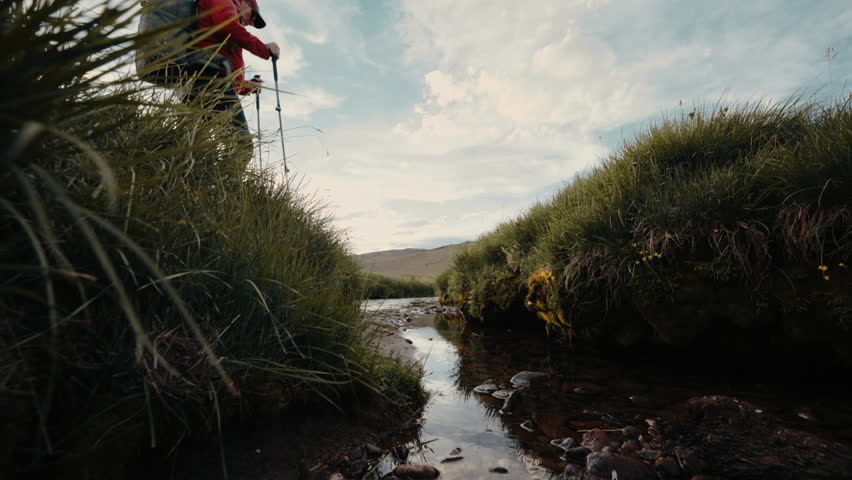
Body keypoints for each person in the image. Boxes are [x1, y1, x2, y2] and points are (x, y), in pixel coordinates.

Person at [188, 0, 280, 159]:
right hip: (212, 81)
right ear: (240, 1)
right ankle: (223, 176)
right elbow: (227, 25)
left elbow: (229, 71)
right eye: (253, 16)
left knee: (198, 145)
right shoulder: (224, 2)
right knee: (241, 147)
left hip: (210, 81)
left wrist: (249, 86)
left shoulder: (228, 18)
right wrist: (264, 49)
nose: (251, 23)